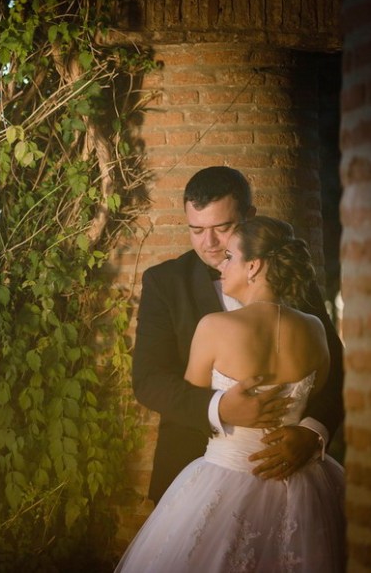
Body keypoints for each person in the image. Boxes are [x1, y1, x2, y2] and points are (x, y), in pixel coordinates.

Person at [115, 216, 346, 572]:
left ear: (253, 265)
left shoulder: (213, 327)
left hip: (225, 476)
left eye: (230, 257)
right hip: (304, 488)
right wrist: (224, 406)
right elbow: (319, 384)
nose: (221, 264)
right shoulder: (313, 328)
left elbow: (192, 390)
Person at [132, 166, 344, 503]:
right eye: (197, 230)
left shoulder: (290, 277)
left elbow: (336, 370)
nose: (209, 243)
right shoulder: (165, 282)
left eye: (222, 227)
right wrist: (219, 407)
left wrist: (313, 431)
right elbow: (149, 380)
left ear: (249, 216)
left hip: (295, 477)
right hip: (191, 472)